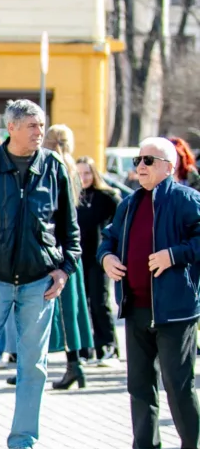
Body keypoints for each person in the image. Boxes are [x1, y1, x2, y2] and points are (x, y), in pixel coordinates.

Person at [0, 99, 80, 449]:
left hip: (39, 283)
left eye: (42, 127)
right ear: (11, 128)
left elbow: (69, 227)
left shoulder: (53, 167)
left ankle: (22, 442)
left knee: (34, 365)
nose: (39, 133)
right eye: (32, 127)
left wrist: (64, 270)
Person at [98, 137, 200, 449]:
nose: (139, 166)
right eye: (137, 160)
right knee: (139, 384)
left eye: (148, 160)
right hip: (137, 306)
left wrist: (174, 254)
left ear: (168, 167)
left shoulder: (187, 200)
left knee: (177, 382)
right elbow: (108, 239)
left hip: (174, 309)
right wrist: (106, 258)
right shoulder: (128, 204)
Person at [43, 125, 93, 391]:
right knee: (71, 310)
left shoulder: (51, 168)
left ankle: (40, 365)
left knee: (47, 308)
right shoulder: (72, 167)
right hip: (70, 247)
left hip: (53, 246)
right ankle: (76, 364)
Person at [76, 156, 120, 364]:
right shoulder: (71, 196)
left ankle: (108, 347)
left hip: (99, 257)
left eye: (87, 173)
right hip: (77, 258)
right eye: (79, 173)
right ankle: (84, 350)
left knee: (100, 301)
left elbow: (121, 220)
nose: (83, 178)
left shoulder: (107, 197)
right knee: (80, 304)